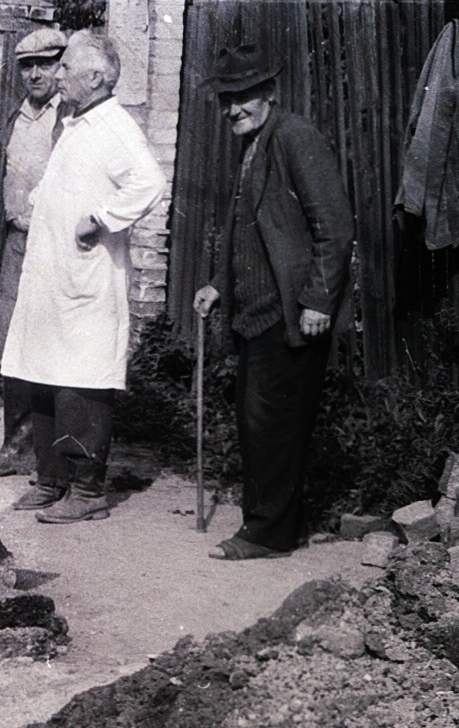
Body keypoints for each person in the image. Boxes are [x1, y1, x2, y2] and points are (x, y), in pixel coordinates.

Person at [193, 42, 354, 559]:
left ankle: (266, 533)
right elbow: (247, 229)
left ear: (267, 94)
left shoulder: (296, 138)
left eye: (242, 96)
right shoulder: (255, 143)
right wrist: (220, 283)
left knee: (272, 424)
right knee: (257, 420)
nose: (231, 108)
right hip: (254, 312)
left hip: (290, 313)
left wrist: (318, 301)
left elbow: (336, 228)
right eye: (225, 99)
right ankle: (276, 522)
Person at [0, 30, 166, 524]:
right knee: (43, 372)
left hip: (86, 278)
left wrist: (103, 218)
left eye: (67, 68)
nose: (59, 75)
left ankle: (88, 490)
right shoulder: (78, 122)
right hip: (52, 273)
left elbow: (149, 183)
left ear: (95, 77)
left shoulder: (115, 126)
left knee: (82, 380)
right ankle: (51, 479)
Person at [0, 27, 68, 478]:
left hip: (56, 247)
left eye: (44, 63)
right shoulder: (16, 117)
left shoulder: (70, 118)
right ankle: (15, 445)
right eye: (27, 65)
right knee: (10, 344)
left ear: (62, 65)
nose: (35, 73)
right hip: (16, 243)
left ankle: (54, 451)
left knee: (51, 343)